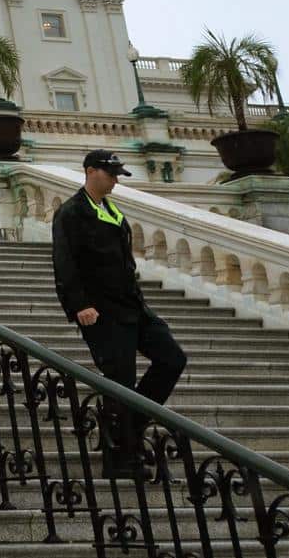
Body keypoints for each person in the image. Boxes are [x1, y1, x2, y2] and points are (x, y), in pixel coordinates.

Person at [50, 149, 187, 478]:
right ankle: (121, 458)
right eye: (110, 174)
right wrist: (79, 305)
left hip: (133, 306)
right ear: (90, 171)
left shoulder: (111, 210)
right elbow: (64, 262)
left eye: (116, 175)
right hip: (101, 313)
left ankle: (130, 427)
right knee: (120, 381)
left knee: (172, 358)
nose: (114, 180)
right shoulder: (71, 213)